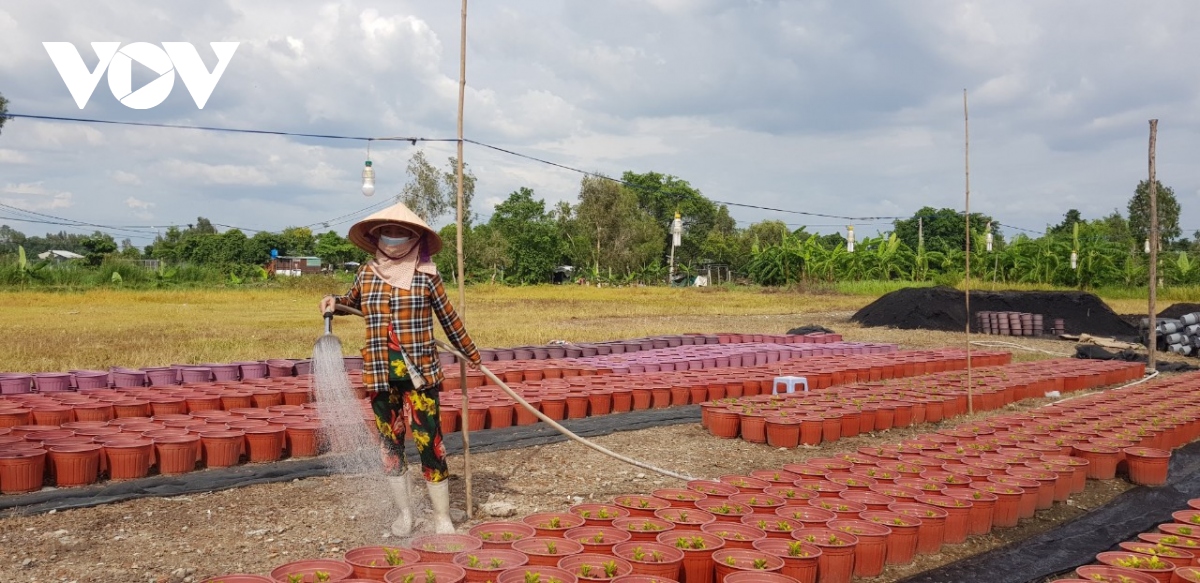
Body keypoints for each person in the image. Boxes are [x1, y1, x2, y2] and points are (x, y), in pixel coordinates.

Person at [319, 202, 481, 536]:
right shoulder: (367, 273)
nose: (393, 239)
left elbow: (449, 319)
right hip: (380, 376)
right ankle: (405, 514)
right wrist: (335, 301)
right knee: (390, 445)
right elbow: (352, 302)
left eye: (401, 233)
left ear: (414, 238)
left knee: (429, 443)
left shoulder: (426, 277)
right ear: (375, 237)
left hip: (419, 378)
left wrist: (472, 354)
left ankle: (441, 517)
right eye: (386, 233)